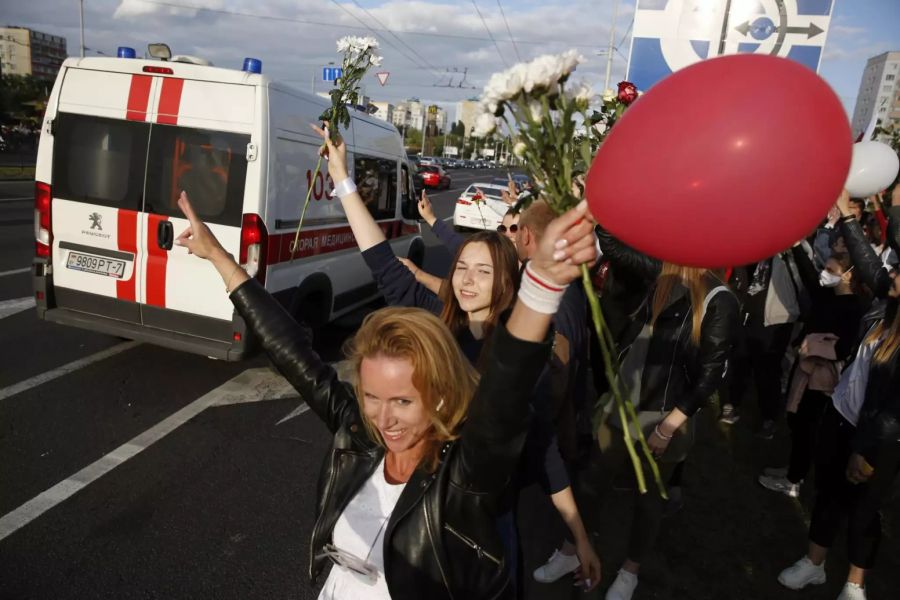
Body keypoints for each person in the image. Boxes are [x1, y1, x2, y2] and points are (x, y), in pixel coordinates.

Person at [172, 187, 598, 598]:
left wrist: (541, 285)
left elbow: (507, 400)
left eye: (403, 401)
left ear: (441, 396)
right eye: (371, 397)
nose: (383, 419)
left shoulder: (462, 478)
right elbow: (294, 354)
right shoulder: (359, 435)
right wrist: (219, 257)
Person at [591, 229, 740, 600]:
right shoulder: (664, 274)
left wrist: (669, 427)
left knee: (649, 499)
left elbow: (709, 376)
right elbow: (610, 243)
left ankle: (629, 572)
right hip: (621, 404)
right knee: (593, 477)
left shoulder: (718, 299)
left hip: (663, 416)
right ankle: (569, 548)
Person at [777, 193, 900, 600]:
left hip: (877, 440)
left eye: (898, 272)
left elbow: (891, 412)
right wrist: (849, 214)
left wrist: (864, 450)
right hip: (840, 416)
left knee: (864, 510)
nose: (891, 273)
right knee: (827, 493)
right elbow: (869, 261)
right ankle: (813, 564)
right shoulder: (885, 306)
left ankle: (854, 584)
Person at [758, 245, 865, 498]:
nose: (824, 274)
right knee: (796, 421)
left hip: (822, 379)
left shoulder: (852, 308)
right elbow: (807, 273)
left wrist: (813, 344)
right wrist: (796, 246)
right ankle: (794, 469)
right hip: (805, 370)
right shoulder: (825, 295)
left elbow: (843, 347)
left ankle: (794, 480)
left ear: (848, 275)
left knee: (806, 426)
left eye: (831, 270)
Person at [719, 250, 802, 437]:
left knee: (768, 370)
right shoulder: (751, 246)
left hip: (775, 319)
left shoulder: (791, 252)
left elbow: (801, 281)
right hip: (746, 313)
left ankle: (769, 417)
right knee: (739, 360)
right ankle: (733, 403)